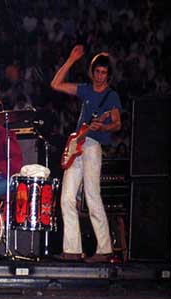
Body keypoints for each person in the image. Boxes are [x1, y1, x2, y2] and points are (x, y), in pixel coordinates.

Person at [50, 45, 122, 263]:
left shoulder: (111, 95)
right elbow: (55, 84)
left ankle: (104, 249)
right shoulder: (86, 90)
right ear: (92, 72)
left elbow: (117, 123)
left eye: (104, 73)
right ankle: (72, 249)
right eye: (97, 72)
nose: (100, 77)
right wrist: (71, 59)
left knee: (92, 195)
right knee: (66, 198)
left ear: (108, 75)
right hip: (77, 144)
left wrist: (103, 128)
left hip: (92, 145)